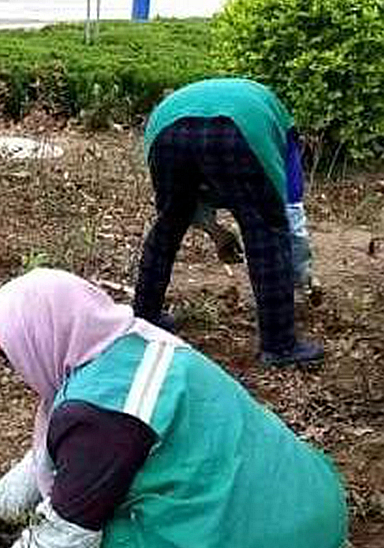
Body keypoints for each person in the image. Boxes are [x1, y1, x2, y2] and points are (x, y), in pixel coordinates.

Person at [0, 268, 347, 548]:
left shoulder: (100, 414)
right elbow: (55, 460)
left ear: (41, 338)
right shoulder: (131, 345)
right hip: (314, 516)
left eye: (10, 356)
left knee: (97, 523)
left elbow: (64, 538)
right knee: (94, 490)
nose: (14, 368)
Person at [133, 77, 320, 366]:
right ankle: (279, 346)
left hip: (165, 129)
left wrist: (216, 232)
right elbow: (289, 212)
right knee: (264, 231)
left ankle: (144, 317)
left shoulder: (250, 107)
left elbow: (185, 203)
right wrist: (301, 271)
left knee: (169, 224)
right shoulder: (286, 135)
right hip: (237, 129)